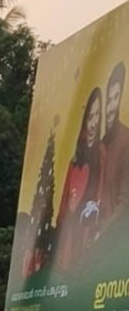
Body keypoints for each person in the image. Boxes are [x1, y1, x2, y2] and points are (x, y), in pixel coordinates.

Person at [54, 87, 105, 271]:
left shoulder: (102, 155)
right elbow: (63, 205)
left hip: (91, 237)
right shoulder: (75, 160)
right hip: (69, 240)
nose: (93, 123)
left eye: (97, 116)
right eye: (90, 117)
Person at [101, 62, 129, 225]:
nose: (111, 106)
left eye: (116, 98)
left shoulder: (126, 141)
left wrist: (103, 234)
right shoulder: (100, 145)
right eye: (109, 99)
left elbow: (125, 202)